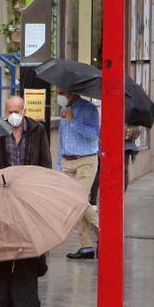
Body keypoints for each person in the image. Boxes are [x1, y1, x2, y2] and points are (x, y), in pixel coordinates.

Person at [57, 91, 100, 259]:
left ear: (71, 92)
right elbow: (62, 138)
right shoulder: (63, 109)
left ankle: (101, 231)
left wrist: (72, 121)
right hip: (67, 160)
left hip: (85, 160)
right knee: (75, 204)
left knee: (79, 200)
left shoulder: (89, 109)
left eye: (61, 92)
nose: (59, 95)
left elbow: (94, 135)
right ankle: (86, 246)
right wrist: (59, 162)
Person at [0, 95, 52, 169]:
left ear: (24, 111)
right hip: (5, 178)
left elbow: (45, 160)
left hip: (30, 178)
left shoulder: (37, 129)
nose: (13, 115)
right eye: (10, 112)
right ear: (5, 112)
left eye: (16, 112)